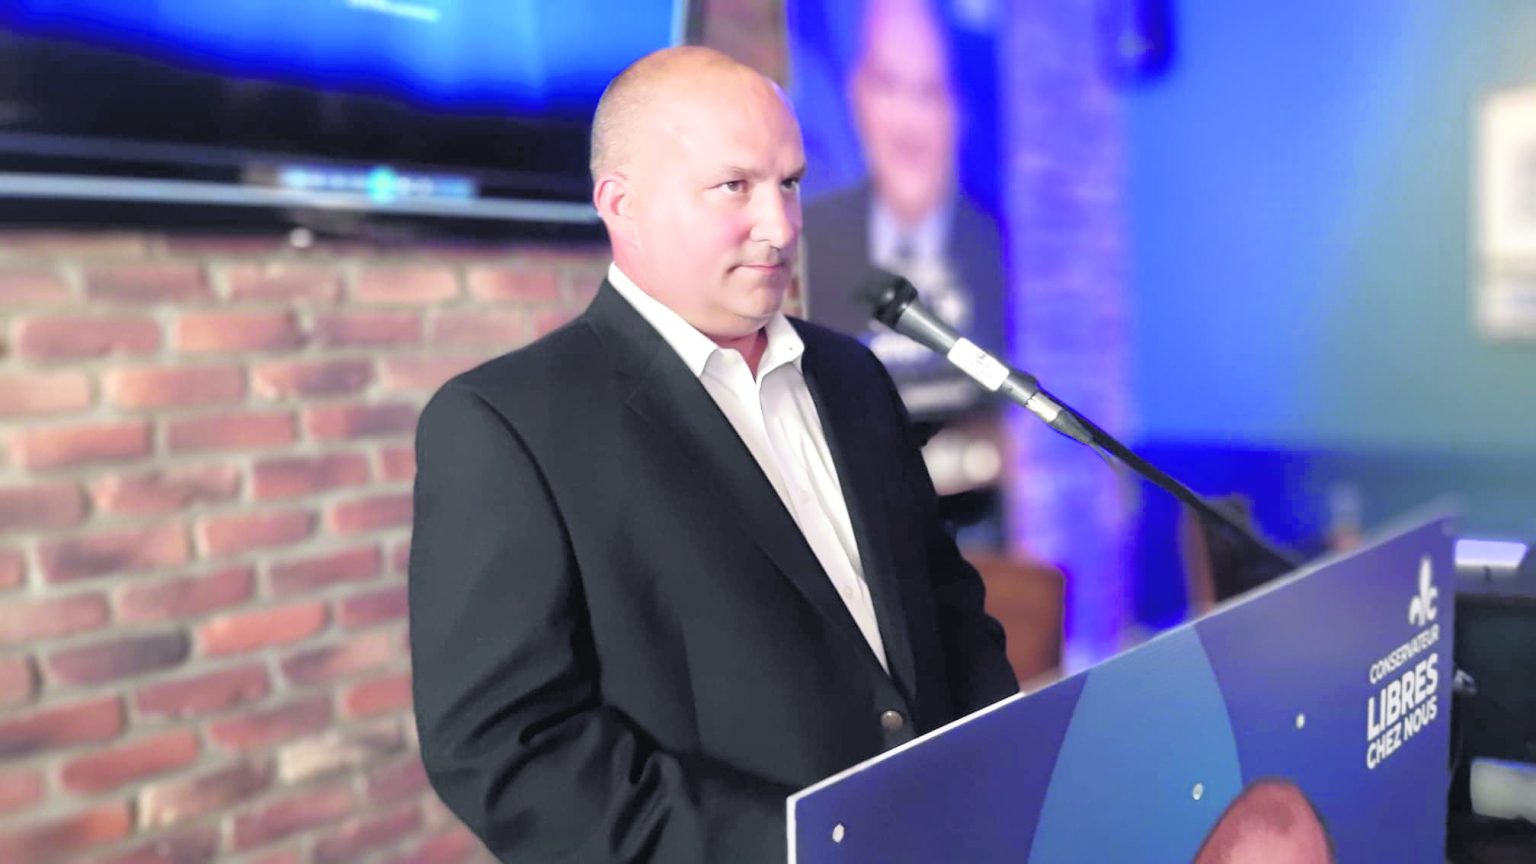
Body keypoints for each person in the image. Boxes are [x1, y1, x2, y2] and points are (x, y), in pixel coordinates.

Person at [408, 45, 1017, 863]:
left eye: (790, 183)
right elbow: (508, 751)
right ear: (621, 204)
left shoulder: (853, 375)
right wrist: (796, 851)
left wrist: (1000, 776)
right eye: (735, 186)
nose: (781, 226)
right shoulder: (505, 424)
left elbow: (945, 607)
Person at [802, 0, 1006, 416]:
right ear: (858, 94)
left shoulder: (1002, 247)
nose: (907, 121)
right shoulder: (806, 243)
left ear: (959, 110)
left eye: (928, 91)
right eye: (888, 85)